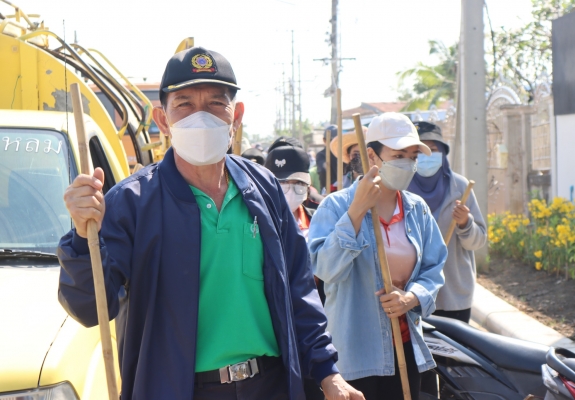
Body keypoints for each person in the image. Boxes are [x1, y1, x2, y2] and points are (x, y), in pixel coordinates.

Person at [57, 46, 363, 400]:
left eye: (216, 103)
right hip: (176, 390)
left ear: (237, 116)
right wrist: (83, 237)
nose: (200, 117)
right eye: (184, 104)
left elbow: (299, 289)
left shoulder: (263, 188)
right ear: (162, 120)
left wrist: (328, 373)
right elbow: (89, 308)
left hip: (269, 385)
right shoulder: (131, 202)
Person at [309, 112, 447, 400]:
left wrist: (412, 297)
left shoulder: (417, 209)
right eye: (398, 155)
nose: (407, 164)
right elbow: (325, 269)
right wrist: (356, 212)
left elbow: (434, 267)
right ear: (371, 155)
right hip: (354, 354)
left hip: (406, 348)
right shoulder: (335, 206)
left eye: (412, 156)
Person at [407, 121, 487, 323]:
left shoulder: (460, 187)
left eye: (433, 149)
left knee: (454, 345)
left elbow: (478, 241)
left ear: (443, 152)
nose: (426, 156)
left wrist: (465, 223)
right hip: (412, 295)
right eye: (420, 151)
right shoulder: (401, 188)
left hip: (454, 295)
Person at [265, 144, 325, 400]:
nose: (289, 189)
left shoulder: (319, 219)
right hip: (273, 330)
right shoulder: (254, 222)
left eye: (297, 182)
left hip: (315, 327)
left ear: (308, 185)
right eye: (281, 182)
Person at [316, 125, 339, 194]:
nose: (334, 143)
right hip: (328, 192)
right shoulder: (321, 155)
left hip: (344, 190)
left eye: (336, 140)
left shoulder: (344, 154)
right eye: (331, 140)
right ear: (324, 140)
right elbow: (323, 170)